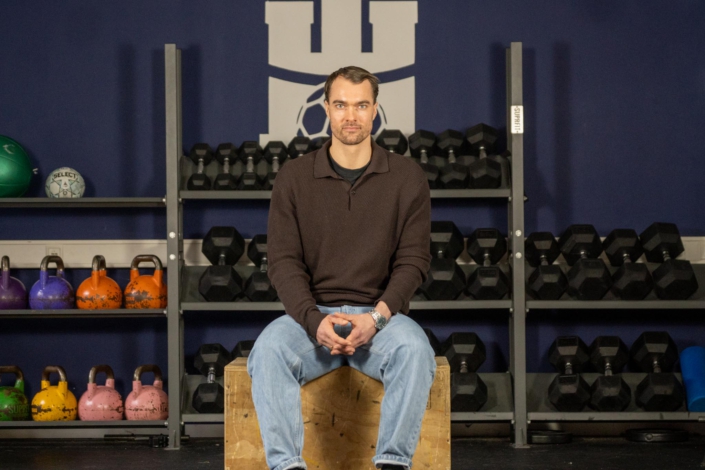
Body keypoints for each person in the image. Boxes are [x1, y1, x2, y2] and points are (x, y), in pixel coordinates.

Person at [247, 66, 435, 470]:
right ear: (327, 108)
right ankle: (287, 467)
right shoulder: (294, 177)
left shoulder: (407, 177)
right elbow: (283, 262)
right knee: (268, 350)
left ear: (375, 110)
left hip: (380, 320)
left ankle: (392, 464)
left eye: (361, 105)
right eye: (341, 105)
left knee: (416, 350)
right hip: (312, 321)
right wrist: (313, 321)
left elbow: (413, 260)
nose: (351, 116)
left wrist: (377, 318)